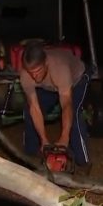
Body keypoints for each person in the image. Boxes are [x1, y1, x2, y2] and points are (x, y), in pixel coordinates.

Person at [19, 40, 92, 174]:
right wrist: (44, 140)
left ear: (45, 63)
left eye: (38, 71)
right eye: (31, 72)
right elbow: (34, 107)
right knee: (29, 111)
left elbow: (66, 104)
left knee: (74, 114)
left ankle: (83, 163)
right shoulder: (25, 75)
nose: (34, 76)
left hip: (77, 79)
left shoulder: (60, 68)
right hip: (50, 86)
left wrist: (64, 138)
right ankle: (31, 157)